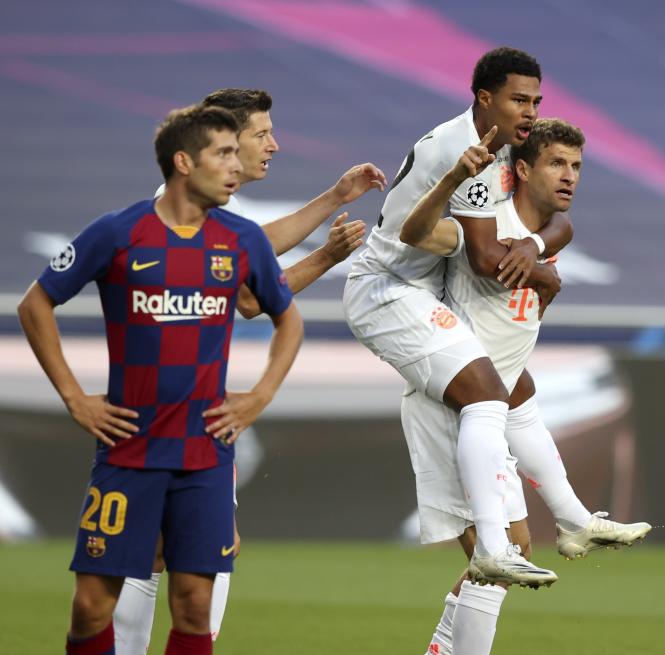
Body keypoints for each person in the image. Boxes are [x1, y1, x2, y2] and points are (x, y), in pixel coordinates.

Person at [17, 104, 304, 655]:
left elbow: (285, 316)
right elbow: (36, 304)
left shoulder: (241, 240)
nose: (235, 167)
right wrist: (75, 399)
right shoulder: (119, 233)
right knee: (90, 607)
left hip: (205, 453)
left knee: (195, 607)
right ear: (182, 162)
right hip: (128, 449)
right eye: (222, 154)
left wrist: (260, 395)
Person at [113, 88, 384, 654]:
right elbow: (251, 298)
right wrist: (325, 256)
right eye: (262, 135)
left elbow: (251, 253)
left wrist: (334, 198)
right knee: (206, 546)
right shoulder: (185, 214)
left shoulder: (195, 206)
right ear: (227, 142)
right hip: (176, 405)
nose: (274, 145)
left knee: (163, 549)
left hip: (171, 401)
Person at [400, 118, 652, 655]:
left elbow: (556, 236)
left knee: (511, 546)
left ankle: (572, 521)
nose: (570, 176)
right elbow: (445, 242)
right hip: (456, 408)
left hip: (496, 392)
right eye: (557, 163)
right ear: (521, 169)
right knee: (494, 558)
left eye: (577, 166)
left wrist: (536, 254)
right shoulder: (480, 222)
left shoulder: (551, 231)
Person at [343, 46, 572, 586]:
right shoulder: (470, 151)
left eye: (537, 100)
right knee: (493, 394)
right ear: (484, 98)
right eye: (520, 99)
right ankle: (515, 535)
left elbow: (553, 220)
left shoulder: (496, 148)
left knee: (510, 392)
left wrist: (536, 247)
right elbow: (488, 259)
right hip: (391, 289)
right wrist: (542, 271)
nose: (531, 111)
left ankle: (549, 526)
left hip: (433, 295)